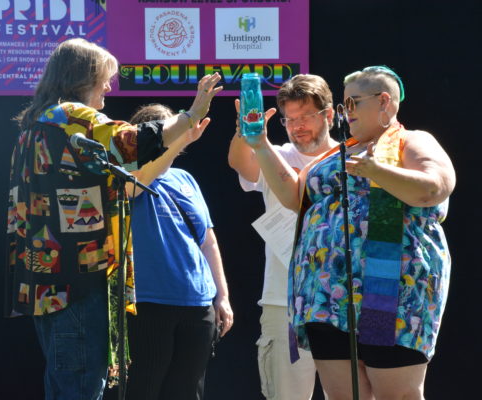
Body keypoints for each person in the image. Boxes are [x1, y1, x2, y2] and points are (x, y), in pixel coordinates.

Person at [5, 38, 222, 400]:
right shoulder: (70, 116)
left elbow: (124, 176)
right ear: (82, 76)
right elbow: (134, 142)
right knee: (79, 387)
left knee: (70, 384)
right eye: (105, 77)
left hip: (49, 282)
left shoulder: (37, 127)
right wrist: (192, 114)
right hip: (77, 279)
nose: (109, 86)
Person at [238, 66, 455, 400]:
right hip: (326, 298)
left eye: (353, 104)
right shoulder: (340, 153)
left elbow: (435, 188)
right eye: (343, 106)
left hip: (387, 294)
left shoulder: (412, 142)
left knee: (394, 395)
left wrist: (379, 172)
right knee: (342, 396)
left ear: (384, 102)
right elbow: (296, 197)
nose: (345, 113)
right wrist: (261, 144)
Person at [228, 74, 335, 400]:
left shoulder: (351, 158)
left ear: (328, 115)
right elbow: (240, 164)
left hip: (342, 301)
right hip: (283, 302)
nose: (298, 126)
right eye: (290, 120)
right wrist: (245, 131)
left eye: (306, 117)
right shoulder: (274, 154)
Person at [124, 104, 233, 400]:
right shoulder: (128, 176)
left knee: (187, 391)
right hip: (146, 302)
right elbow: (139, 180)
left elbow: (208, 241)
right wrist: (178, 139)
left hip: (197, 305)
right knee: (141, 389)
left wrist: (221, 296)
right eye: (167, 134)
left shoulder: (185, 179)